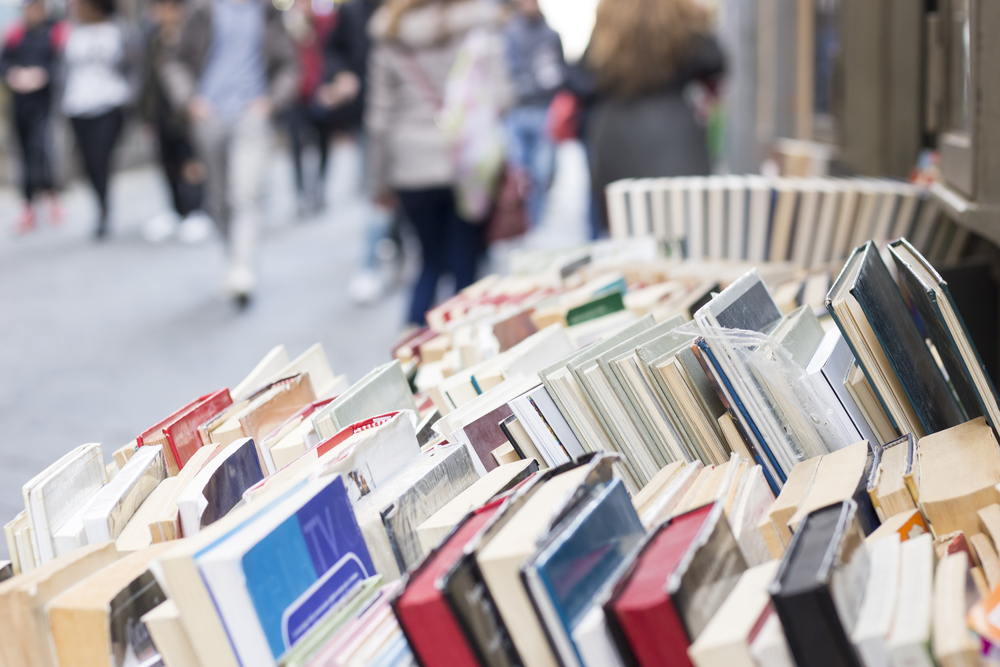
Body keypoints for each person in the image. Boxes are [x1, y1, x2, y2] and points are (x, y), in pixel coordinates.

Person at [366, 0, 511, 326]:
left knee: (429, 259)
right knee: (466, 262)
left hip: (411, 167)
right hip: (468, 166)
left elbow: (379, 121)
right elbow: (502, 97)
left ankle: (413, 351)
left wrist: (378, 183)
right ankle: (470, 348)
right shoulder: (480, 24)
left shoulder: (391, 31)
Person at [163, 0, 299, 307]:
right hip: (209, 116)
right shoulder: (202, 10)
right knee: (219, 198)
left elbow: (289, 65)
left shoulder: (267, 12)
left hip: (251, 115)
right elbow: (175, 62)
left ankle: (243, 267)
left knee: (245, 194)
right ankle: (234, 259)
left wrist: (271, 102)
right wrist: (190, 102)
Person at [584, 0, 725, 236]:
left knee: (625, 231)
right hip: (675, 134)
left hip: (616, 135)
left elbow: (584, 74)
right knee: (683, 229)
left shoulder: (609, 16)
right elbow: (714, 62)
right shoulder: (681, 18)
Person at [319, 0, 403, 306]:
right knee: (378, 193)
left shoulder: (412, 10)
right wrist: (341, 75)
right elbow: (333, 51)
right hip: (370, 118)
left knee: (404, 196)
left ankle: (397, 246)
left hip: (412, 121)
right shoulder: (354, 11)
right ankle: (370, 264)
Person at [61, 0, 142, 240]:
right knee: (88, 162)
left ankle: (104, 209)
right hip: (77, 105)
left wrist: (130, 97)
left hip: (110, 102)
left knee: (101, 157)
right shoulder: (71, 32)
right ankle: (100, 204)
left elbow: (136, 67)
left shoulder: (121, 31)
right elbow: (62, 69)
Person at [140, 0, 212, 244]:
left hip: (188, 111)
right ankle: (176, 210)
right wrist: (147, 115)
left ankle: (197, 210)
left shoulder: (193, 33)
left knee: (191, 163)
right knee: (167, 162)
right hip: (161, 112)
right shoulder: (154, 38)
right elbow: (149, 80)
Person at [0, 0, 66, 235]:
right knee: (23, 154)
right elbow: (4, 62)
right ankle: (28, 205)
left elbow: (61, 64)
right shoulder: (15, 33)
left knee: (42, 150)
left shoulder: (55, 32)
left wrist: (43, 75)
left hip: (45, 102)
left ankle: (51, 196)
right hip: (19, 102)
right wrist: (14, 75)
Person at [503, 0, 564, 227]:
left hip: (542, 109)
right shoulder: (509, 33)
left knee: (542, 170)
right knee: (518, 173)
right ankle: (521, 222)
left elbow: (559, 70)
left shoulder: (550, 35)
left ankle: (536, 222)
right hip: (516, 110)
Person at [284, 0, 335, 217]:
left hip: (321, 91)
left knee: (324, 142)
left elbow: (333, 51)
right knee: (296, 144)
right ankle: (300, 193)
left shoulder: (324, 21)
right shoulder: (287, 24)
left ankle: (320, 188)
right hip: (296, 94)